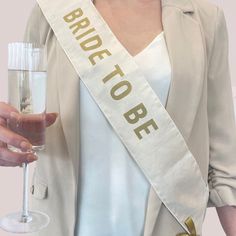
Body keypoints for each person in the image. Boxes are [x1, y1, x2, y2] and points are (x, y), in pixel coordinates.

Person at [1, 0, 236, 235]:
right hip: (60, 225)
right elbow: (25, 116)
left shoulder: (204, 18)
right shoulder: (52, 11)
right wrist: (9, 139)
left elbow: (224, 164)